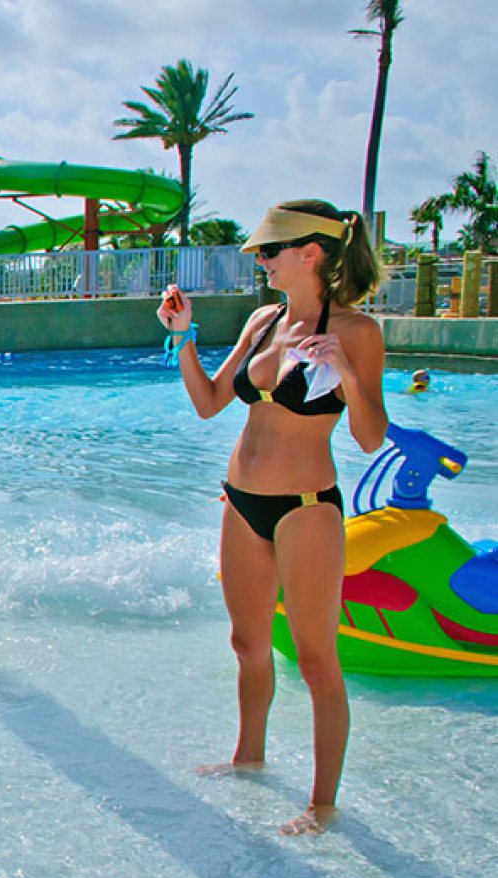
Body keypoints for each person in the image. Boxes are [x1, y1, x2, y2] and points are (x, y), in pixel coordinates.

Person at [156, 199, 388, 835]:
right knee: (247, 645)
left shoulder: (358, 332)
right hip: (241, 500)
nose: (260, 259)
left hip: (306, 509)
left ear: (309, 253)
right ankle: (249, 758)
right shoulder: (263, 321)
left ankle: (322, 805)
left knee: (316, 660)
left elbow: (371, 437)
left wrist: (343, 369)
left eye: (269, 250)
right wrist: (182, 334)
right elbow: (209, 403)